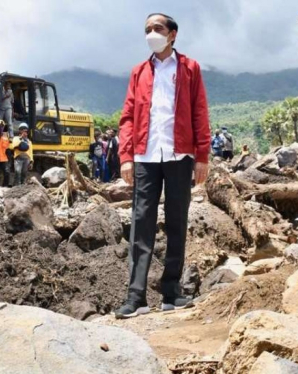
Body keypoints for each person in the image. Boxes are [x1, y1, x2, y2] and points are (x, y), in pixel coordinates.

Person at [114, 13, 210, 319]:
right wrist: (126, 156)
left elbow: (199, 112)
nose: (151, 33)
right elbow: (128, 116)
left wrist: (203, 157)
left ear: (173, 35)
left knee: (176, 221)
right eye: (147, 29)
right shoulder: (138, 71)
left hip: (179, 156)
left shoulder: (189, 68)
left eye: (157, 28)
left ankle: (171, 293)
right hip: (145, 156)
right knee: (141, 223)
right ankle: (135, 297)